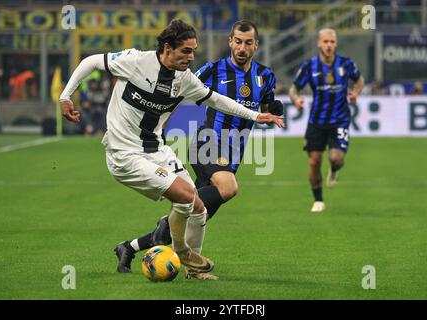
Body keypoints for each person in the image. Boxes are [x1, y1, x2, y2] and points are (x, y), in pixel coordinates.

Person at [59, 20, 283, 277]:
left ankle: (188, 268)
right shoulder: (136, 61)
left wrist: (256, 116)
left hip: (156, 150)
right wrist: (66, 96)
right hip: (125, 154)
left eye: (194, 51)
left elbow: (217, 99)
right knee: (188, 195)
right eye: (186, 51)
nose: (191, 57)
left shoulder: (185, 79)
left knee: (198, 206)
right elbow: (91, 62)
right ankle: (182, 251)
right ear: (168, 47)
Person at [288, 28, 364, 213]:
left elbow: (359, 80)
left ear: (336, 43)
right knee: (314, 162)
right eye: (325, 41)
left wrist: (355, 92)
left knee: (336, 158)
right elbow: (293, 89)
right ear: (318, 43)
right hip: (317, 121)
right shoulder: (309, 66)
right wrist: (295, 100)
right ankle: (318, 200)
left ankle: (335, 169)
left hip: (339, 120)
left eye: (332, 42)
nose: (329, 45)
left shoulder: (346, 64)